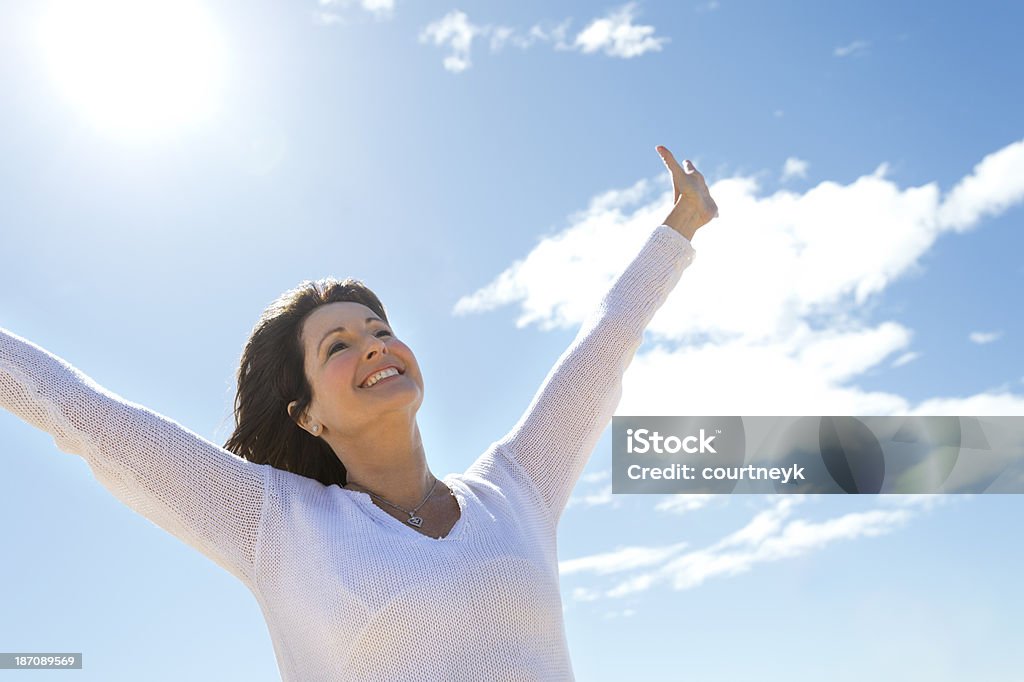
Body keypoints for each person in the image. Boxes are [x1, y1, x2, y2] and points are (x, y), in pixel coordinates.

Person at [0, 145, 718, 681]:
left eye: (379, 328)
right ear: (306, 415)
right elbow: (82, 415)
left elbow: (606, 343)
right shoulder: (273, 523)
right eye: (339, 344)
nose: (376, 346)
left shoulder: (517, 488)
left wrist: (680, 227)